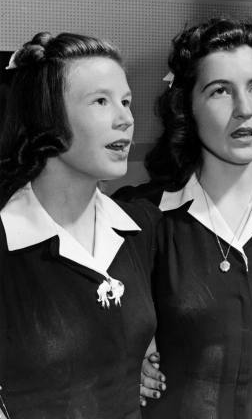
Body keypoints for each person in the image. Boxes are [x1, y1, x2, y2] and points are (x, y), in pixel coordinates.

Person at [115, 17, 252, 419]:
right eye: (220, 91)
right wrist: (125, 362)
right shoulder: (142, 217)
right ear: (187, 108)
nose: (244, 109)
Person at [0, 32, 160, 419]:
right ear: (46, 116)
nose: (125, 119)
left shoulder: (140, 226)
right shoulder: (6, 242)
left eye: (126, 102)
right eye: (101, 102)